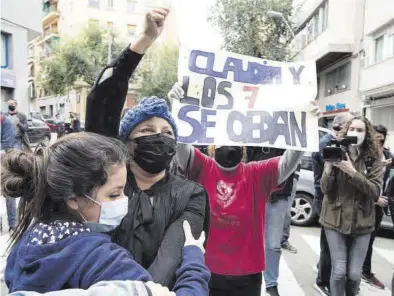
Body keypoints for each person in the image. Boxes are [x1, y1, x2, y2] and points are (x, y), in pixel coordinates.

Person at [85, 8, 209, 289]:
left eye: (167, 133)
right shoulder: (104, 181)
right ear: (126, 144)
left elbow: (171, 257)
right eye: (147, 131)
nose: (159, 137)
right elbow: (102, 98)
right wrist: (143, 41)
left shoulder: (191, 194)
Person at [1, 132, 209, 295]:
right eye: (114, 194)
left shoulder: (28, 241)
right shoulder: (103, 260)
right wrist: (193, 259)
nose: (123, 201)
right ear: (73, 198)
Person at [168, 83, 321, 296]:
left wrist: (304, 128)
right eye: (223, 139)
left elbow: (288, 162)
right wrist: (177, 108)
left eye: (236, 140)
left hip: (246, 275)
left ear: (244, 147)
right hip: (204, 268)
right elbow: (181, 146)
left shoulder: (258, 174)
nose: (229, 146)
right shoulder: (203, 167)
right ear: (212, 146)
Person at [320, 116, 382, 296]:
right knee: (339, 272)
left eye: (360, 130)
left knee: (354, 275)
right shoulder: (337, 150)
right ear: (346, 131)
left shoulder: (373, 158)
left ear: (367, 134)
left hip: (362, 222)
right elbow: (325, 188)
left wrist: (353, 172)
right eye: (352, 129)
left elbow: (376, 192)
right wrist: (329, 168)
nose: (355, 133)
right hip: (334, 219)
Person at [312, 112, 353, 296]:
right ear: (339, 126)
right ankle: (322, 281)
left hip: (334, 200)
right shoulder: (326, 144)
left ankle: (324, 271)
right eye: (349, 126)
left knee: (330, 244)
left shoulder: (341, 143)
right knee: (328, 244)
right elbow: (330, 174)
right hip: (325, 199)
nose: (351, 130)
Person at [361, 124, 392, 289]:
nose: (378, 143)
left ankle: (364, 271)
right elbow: (359, 181)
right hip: (366, 204)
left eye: (381, 139)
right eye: (375, 139)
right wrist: (375, 198)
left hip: (380, 207)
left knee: (370, 240)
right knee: (357, 240)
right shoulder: (364, 154)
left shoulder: (387, 154)